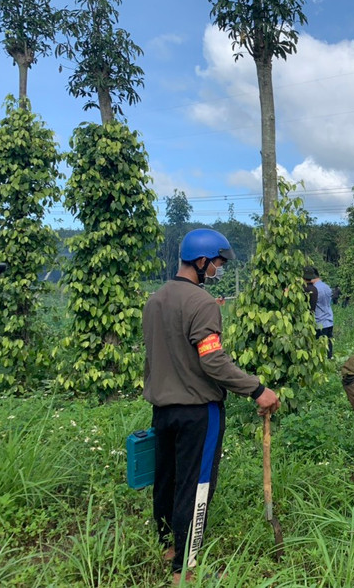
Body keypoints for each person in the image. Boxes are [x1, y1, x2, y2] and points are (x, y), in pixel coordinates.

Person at [143, 229, 280, 585]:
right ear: (201, 261)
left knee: (167, 478)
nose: (218, 269)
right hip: (197, 410)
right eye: (217, 263)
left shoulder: (155, 300)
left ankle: (168, 548)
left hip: (163, 410)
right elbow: (213, 361)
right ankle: (184, 570)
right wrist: (257, 389)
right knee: (197, 484)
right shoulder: (201, 302)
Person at [303, 265, 334, 359]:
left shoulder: (314, 289)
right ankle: (330, 362)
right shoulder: (327, 287)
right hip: (329, 319)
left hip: (318, 321)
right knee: (328, 344)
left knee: (318, 347)